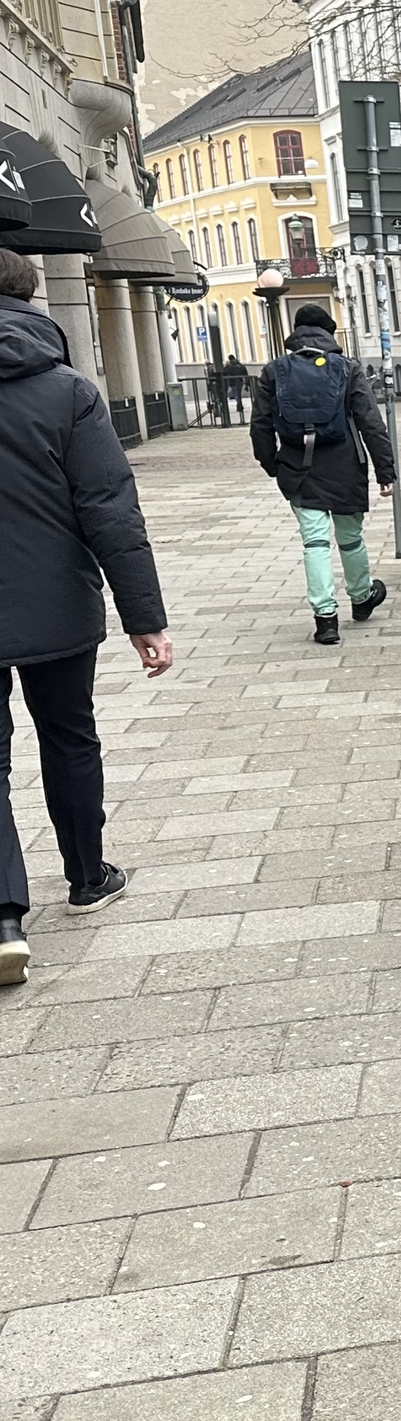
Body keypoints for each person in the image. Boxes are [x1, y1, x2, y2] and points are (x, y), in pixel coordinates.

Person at [0, 248, 173, 986]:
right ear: (32, 297)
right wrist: (145, 617)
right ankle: (84, 875)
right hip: (56, 600)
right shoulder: (68, 390)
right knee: (69, 734)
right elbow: (108, 508)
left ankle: (5, 917)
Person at [249, 303, 396, 645]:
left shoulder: (273, 371)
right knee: (350, 538)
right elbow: (370, 422)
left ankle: (325, 619)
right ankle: (361, 598)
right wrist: (384, 470)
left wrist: (272, 463)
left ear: (295, 335)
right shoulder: (347, 369)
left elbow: (260, 425)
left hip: (298, 467)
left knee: (314, 541)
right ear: (329, 334)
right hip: (345, 465)